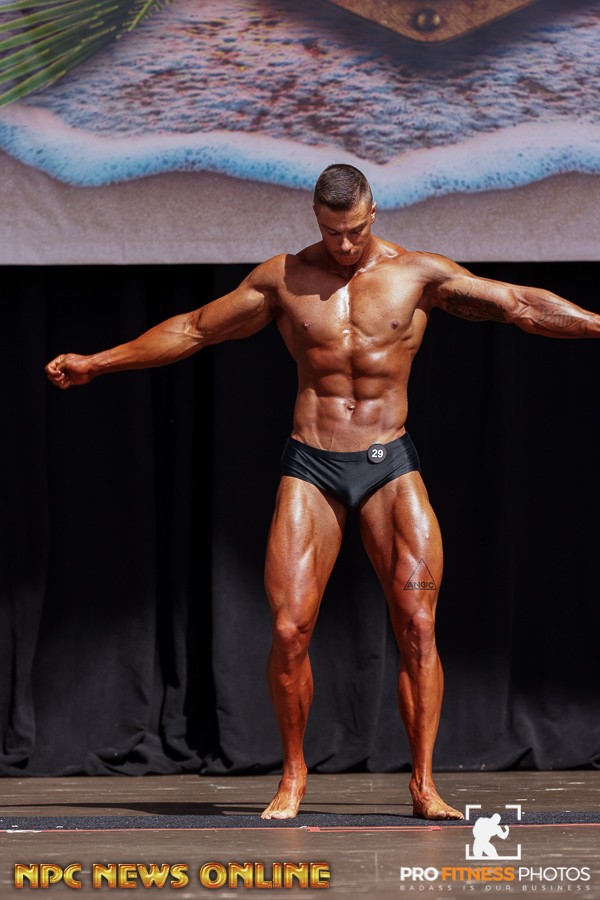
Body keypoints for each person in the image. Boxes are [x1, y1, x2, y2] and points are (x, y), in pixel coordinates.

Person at [46, 163, 599, 821]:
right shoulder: (283, 279)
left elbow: (520, 304)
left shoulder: (416, 275)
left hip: (389, 462)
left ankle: (424, 785)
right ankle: (293, 774)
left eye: (355, 230)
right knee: (289, 628)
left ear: (373, 213)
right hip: (312, 465)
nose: (345, 244)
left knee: (419, 624)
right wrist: (98, 362)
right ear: (317, 219)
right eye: (334, 232)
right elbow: (194, 328)